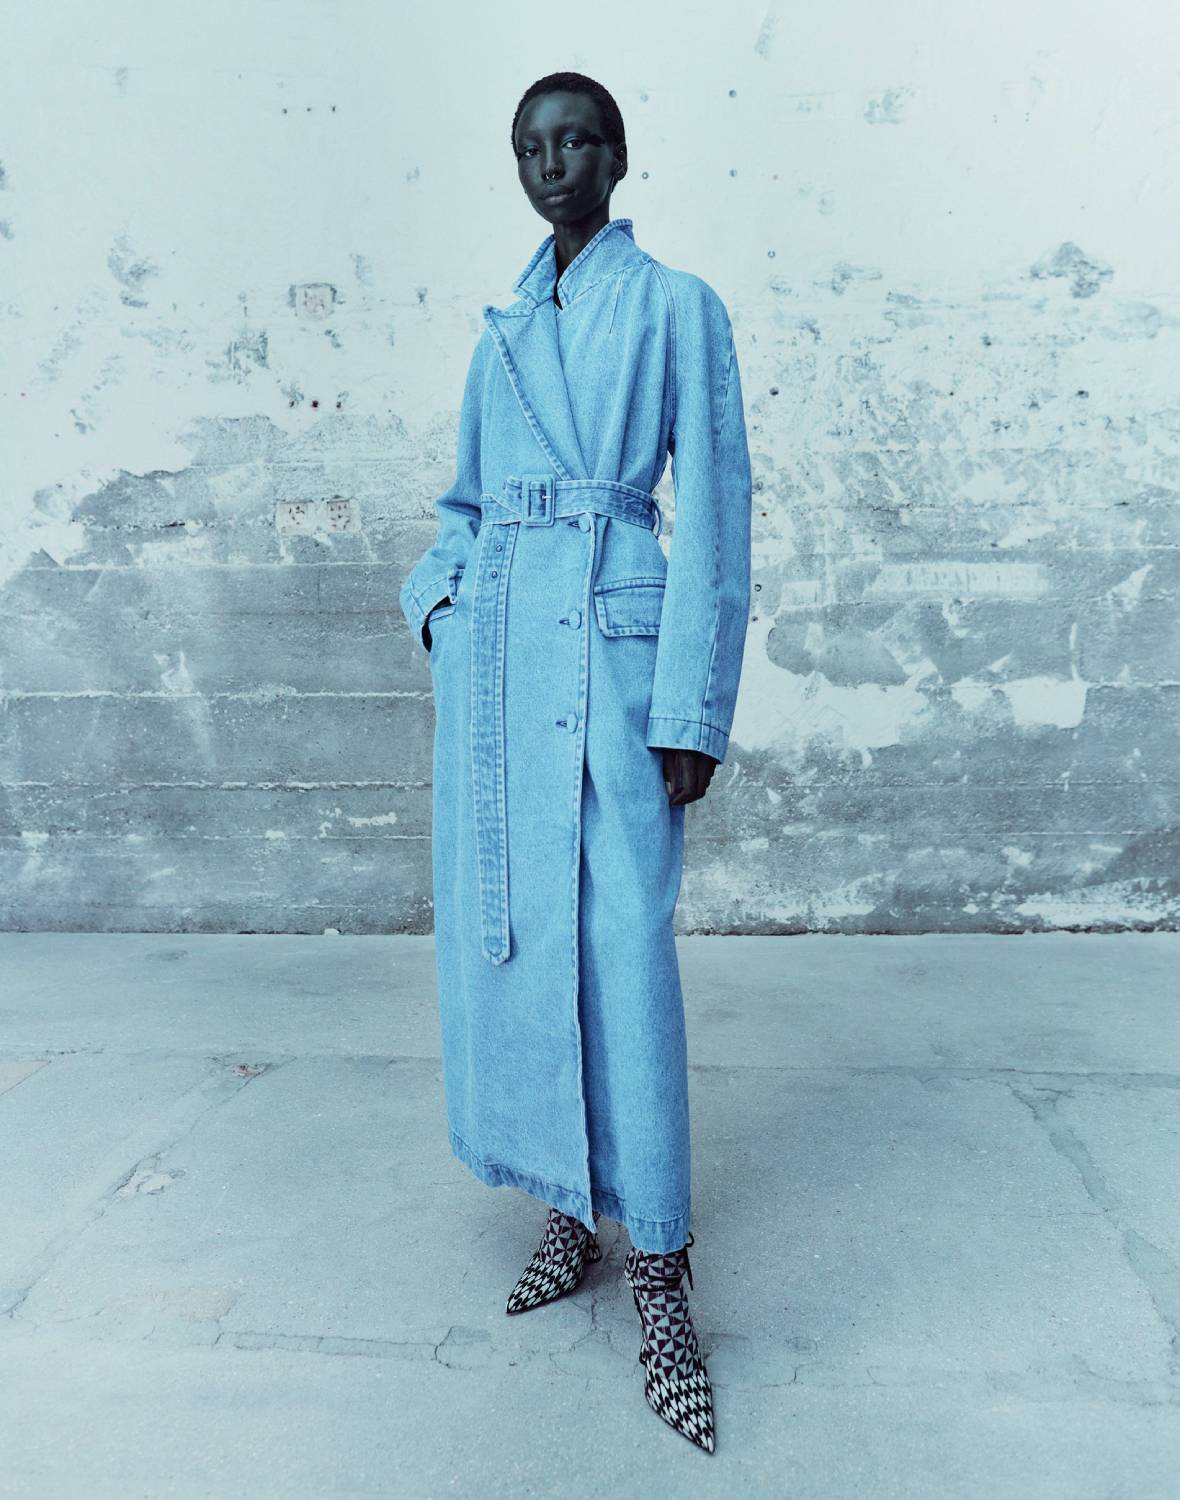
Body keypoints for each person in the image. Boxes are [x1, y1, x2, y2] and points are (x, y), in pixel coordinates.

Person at [399, 71, 752, 1454]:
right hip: (501, 663)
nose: (554, 164)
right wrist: (442, 607)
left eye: (577, 140)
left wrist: (692, 710)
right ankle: (565, 1204)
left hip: (614, 657)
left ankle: (658, 1263)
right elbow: (462, 507)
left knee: (623, 947)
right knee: (524, 937)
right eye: (531, 147)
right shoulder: (501, 335)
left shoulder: (674, 307)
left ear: (618, 154)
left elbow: (713, 508)